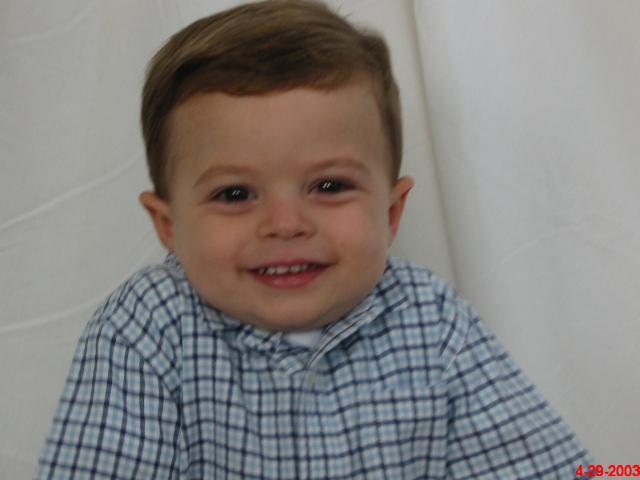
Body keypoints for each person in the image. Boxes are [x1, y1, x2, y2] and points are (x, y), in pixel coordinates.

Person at [37, 1, 592, 478]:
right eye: (235, 194)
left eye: (329, 186)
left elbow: (543, 465)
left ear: (391, 212)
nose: (286, 224)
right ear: (169, 227)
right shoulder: (146, 329)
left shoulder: (433, 321)